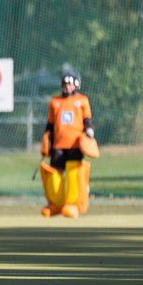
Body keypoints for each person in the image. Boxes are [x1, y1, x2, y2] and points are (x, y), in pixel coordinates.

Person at [39, 71, 98, 218]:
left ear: (76, 85)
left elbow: (87, 121)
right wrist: (46, 141)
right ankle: (56, 204)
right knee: (55, 174)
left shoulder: (82, 100)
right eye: (65, 84)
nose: (67, 87)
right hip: (58, 145)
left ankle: (72, 204)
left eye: (70, 84)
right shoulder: (55, 101)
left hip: (75, 145)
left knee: (73, 174)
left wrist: (89, 131)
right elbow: (50, 125)